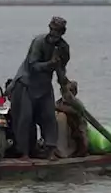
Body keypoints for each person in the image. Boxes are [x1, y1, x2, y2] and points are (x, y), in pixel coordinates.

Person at [9, 16, 71, 160]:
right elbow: (33, 65)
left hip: (44, 86)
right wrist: (50, 64)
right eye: (53, 30)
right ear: (49, 29)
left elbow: (61, 68)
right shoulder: (39, 42)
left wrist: (64, 85)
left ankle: (50, 150)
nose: (54, 34)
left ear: (62, 32)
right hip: (27, 83)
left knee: (49, 117)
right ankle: (24, 152)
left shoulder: (63, 47)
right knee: (26, 118)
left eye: (58, 31)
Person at [54, 80, 89, 158]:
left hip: (76, 139)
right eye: (64, 91)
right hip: (64, 137)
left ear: (75, 92)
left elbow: (73, 112)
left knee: (61, 117)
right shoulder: (58, 103)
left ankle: (63, 151)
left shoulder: (77, 104)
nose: (67, 94)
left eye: (71, 91)